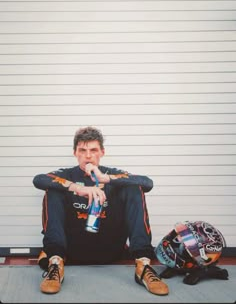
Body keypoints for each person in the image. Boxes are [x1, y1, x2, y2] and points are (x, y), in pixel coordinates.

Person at [33, 126, 169, 296]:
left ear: (102, 152)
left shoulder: (112, 174)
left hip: (111, 250)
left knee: (134, 188)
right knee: (53, 188)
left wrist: (107, 179)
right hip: (72, 251)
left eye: (93, 150)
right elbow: (38, 179)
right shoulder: (66, 174)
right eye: (82, 150)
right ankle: (55, 264)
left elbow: (147, 182)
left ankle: (143, 266)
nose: (88, 155)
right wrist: (76, 188)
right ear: (75, 153)